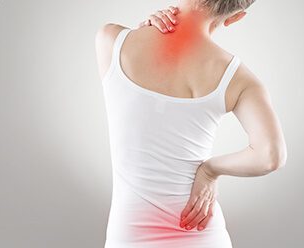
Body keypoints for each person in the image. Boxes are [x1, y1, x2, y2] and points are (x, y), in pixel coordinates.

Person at [95, 1, 287, 247]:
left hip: (130, 237)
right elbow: (271, 156)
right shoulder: (238, 79)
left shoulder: (109, 40)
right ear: (236, 17)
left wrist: (142, 29)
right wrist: (209, 171)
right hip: (201, 233)